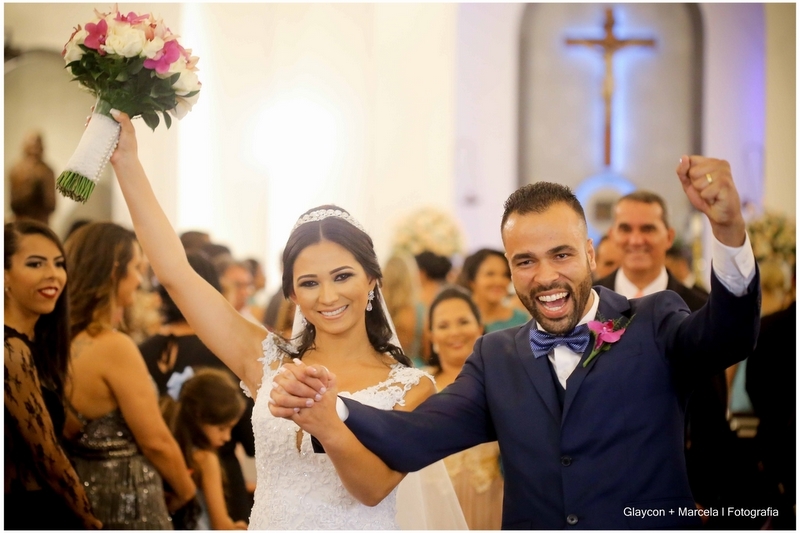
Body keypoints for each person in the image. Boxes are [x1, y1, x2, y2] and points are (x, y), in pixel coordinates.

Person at [272, 156, 761, 529]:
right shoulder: (496, 355)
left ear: (591, 254)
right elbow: (417, 434)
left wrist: (728, 231)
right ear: (509, 268)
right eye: (525, 261)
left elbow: (728, 335)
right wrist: (332, 408)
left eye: (562, 254)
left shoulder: (655, 320)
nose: (545, 277)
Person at [107, 109, 465, 530]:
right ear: (292, 293)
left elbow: (373, 490)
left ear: (372, 281)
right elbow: (176, 274)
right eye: (310, 282)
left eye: (343, 276)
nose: (328, 296)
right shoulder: (267, 361)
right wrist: (127, 162)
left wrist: (327, 423)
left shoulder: (411, 386)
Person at [594, 190, 740, 521]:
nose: (636, 239)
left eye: (648, 229)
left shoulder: (700, 304)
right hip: (601, 479)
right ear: (613, 234)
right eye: (626, 228)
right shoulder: (588, 303)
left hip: (680, 480)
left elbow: (711, 406)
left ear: (668, 236)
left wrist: (700, 493)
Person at [62, 222, 196, 529]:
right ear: (113, 271)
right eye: (136, 268)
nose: (140, 280)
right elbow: (156, 441)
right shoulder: (111, 346)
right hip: (128, 497)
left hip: (84, 491)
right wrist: (188, 495)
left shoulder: (63, 341)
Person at [139, 252, 256, 524]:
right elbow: (248, 434)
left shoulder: (141, 351)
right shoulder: (221, 351)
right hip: (221, 485)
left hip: (159, 482)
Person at [4, 221, 102, 530]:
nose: (53, 274)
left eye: (59, 264)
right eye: (35, 263)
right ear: (4, 275)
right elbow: (48, 454)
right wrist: (89, 518)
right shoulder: (10, 351)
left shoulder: (35, 345)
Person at [425, 286, 503, 530]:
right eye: (443, 325)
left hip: (493, 498)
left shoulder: (502, 380)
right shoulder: (420, 387)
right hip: (435, 503)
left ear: (479, 327)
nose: (454, 332)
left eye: (463, 322)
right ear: (431, 336)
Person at [162, 368, 248, 530]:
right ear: (199, 417)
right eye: (222, 428)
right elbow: (220, 525)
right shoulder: (205, 459)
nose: (227, 437)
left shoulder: (174, 453)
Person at [457, 248, 529, 333]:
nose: (499, 281)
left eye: (504, 275)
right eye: (490, 274)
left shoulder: (523, 321)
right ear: (472, 280)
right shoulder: (457, 319)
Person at [382, 254, 425, 366]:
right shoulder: (420, 311)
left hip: (384, 368)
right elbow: (426, 352)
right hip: (415, 367)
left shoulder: (378, 311)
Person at [8, 131, 56, 225]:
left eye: (37, 146)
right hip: (21, 222)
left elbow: (51, 203)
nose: (35, 150)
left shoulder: (48, 171)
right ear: (25, 147)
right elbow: (14, 202)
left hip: (42, 223)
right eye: (32, 146)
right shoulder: (16, 170)